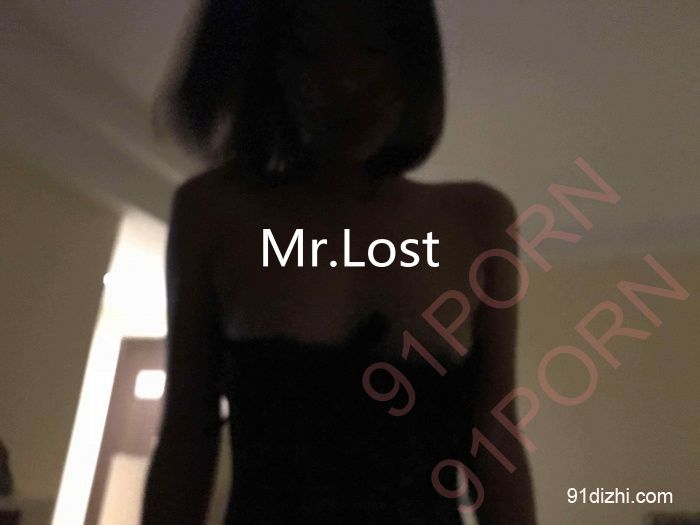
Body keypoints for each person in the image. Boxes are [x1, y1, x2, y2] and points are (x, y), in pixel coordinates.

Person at [141, 0, 537, 523]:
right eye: (307, 48)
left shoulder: (478, 220)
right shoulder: (213, 212)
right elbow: (185, 438)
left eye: (373, 46)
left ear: (412, 55)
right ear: (269, 61)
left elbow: (495, 442)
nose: (345, 81)